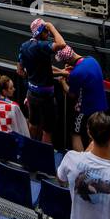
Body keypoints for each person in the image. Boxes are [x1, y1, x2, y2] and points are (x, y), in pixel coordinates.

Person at [17, 18, 68, 148]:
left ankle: (30, 154)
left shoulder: (24, 46)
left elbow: (20, 70)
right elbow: (62, 44)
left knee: (33, 124)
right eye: (47, 31)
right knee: (47, 131)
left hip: (31, 93)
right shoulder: (42, 46)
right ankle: (45, 163)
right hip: (46, 97)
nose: (49, 34)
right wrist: (51, 26)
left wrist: (60, 72)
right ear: (42, 32)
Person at [53, 46, 109, 151]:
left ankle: (80, 162)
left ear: (67, 60)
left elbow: (71, 94)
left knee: (75, 134)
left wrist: (62, 82)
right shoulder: (91, 59)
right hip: (101, 106)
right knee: (93, 136)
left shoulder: (76, 73)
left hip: (86, 109)